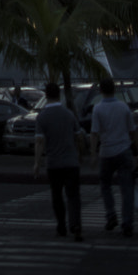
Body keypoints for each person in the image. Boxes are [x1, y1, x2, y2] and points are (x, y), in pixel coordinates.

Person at [90, 76, 138, 237]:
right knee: (127, 189)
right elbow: (133, 132)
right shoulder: (123, 107)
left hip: (106, 152)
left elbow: (94, 134)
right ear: (114, 90)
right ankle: (127, 223)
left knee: (105, 185)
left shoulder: (97, 109)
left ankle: (111, 214)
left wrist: (93, 153)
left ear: (100, 91)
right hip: (124, 150)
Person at [33, 81, 83, 241]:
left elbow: (39, 142)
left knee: (57, 196)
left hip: (53, 163)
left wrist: (36, 162)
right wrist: (80, 154)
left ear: (46, 96)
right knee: (73, 196)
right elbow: (79, 135)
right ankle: (75, 225)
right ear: (59, 95)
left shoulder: (42, 117)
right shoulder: (69, 114)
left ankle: (61, 226)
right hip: (71, 162)